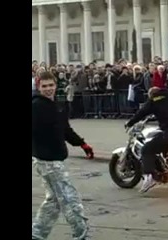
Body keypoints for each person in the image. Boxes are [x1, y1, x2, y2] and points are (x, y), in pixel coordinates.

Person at [32, 71, 94, 240]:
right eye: (44, 86)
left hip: (55, 158)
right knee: (70, 199)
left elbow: (65, 129)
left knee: (53, 201)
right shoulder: (36, 106)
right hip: (47, 160)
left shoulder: (58, 105)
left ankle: (37, 233)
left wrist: (82, 144)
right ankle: (81, 235)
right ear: (38, 87)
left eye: (51, 85)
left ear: (55, 85)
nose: (48, 89)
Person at [125, 87, 168, 193]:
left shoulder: (155, 99)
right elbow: (167, 112)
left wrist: (130, 123)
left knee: (147, 149)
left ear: (151, 94)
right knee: (165, 146)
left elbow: (142, 111)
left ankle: (149, 177)